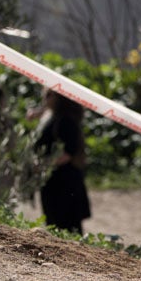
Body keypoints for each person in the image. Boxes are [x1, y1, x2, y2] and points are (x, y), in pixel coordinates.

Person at [35, 89, 91, 234]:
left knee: (68, 228)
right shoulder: (53, 116)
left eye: (49, 95)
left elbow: (68, 152)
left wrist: (43, 166)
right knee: (53, 224)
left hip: (64, 184)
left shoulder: (66, 120)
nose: (44, 98)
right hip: (52, 181)